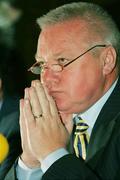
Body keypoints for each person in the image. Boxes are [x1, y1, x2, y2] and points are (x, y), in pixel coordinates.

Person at [6, 1, 120, 180]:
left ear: (106, 61)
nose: (47, 78)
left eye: (62, 61)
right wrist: (31, 161)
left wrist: (52, 154)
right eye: (43, 64)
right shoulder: (46, 126)